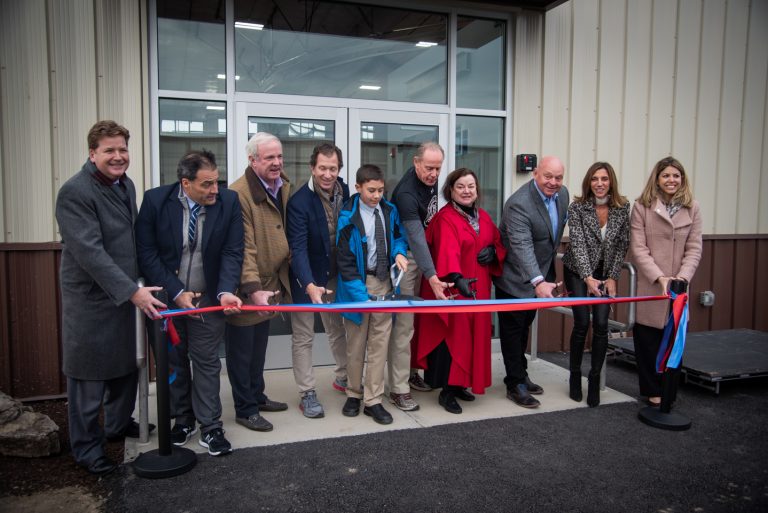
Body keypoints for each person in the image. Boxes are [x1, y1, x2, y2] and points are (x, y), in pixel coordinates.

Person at [55, 120, 166, 475]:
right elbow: (90, 253)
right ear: (92, 154)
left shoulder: (125, 185)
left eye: (123, 149)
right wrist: (132, 291)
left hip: (125, 295)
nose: (118, 157)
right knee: (89, 377)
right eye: (109, 151)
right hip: (92, 300)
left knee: (125, 368)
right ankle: (87, 449)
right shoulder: (75, 192)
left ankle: (117, 426)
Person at [136, 149, 244, 456]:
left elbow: (232, 252)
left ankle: (211, 426)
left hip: (207, 298)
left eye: (216, 181)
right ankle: (183, 420)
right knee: (174, 360)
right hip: (167, 300)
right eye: (206, 184)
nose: (214, 190)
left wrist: (225, 291)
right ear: (186, 183)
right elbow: (146, 254)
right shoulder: (156, 201)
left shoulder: (229, 202)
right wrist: (175, 291)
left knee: (207, 360)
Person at [412, 169, 506, 414]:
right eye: (461, 187)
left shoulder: (483, 217)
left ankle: (462, 383)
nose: (467, 191)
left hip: (479, 288)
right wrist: (456, 278)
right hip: (454, 289)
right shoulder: (445, 218)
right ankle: (448, 390)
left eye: (471, 186)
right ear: (451, 191)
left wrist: (494, 252)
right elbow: (446, 251)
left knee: (474, 336)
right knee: (453, 338)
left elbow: (498, 241)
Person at [225, 132, 291, 432]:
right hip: (248, 288)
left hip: (270, 282)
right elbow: (243, 247)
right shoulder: (239, 194)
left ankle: (257, 395)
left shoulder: (282, 185)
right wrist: (252, 289)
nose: (277, 162)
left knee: (258, 348)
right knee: (241, 353)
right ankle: (245, 409)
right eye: (269, 158)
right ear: (252, 161)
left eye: (279, 156)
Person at [494, 155, 569, 408]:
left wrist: (543, 278)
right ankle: (514, 384)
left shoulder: (562, 195)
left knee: (525, 325)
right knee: (513, 331)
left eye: (558, 177)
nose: (553, 182)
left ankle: (521, 373)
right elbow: (522, 246)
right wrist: (538, 281)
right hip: (514, 278)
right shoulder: (519, 203)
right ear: (536, 173)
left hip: (540, 275)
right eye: (547, 176)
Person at [336, 165, 409, 425]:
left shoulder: (389, 210)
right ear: (358, 188)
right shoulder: (347, 217)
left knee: (379, 344)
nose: (377, 195)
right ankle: (353, 393)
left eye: (380, 190)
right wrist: (361, 297)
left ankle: (373, 399)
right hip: (358, 285)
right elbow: (345, 262)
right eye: (371, 190)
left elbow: (399, 237)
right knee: (356, 345)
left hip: (384, 284)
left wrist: (399, 252)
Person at [629, 156, 702, 406]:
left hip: (679, 288)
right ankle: (652, 390)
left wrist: (682, 278)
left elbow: (694, 248)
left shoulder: (693, 208)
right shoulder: (642, 207)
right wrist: (659, 277)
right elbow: (638, 248)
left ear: (682, 179)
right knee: (648, 341)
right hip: (652, 285)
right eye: (666, 175)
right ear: (657, 179)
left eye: (676, 175)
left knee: (674, 341)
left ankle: (669, 389)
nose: (671, 180)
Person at [286, 143, 350, 418]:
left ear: (339, 169)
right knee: (303, 336)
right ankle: (307, 392)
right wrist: (309, 284)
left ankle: (344, 377)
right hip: (305, 277)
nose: (327, 174)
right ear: (312, 168)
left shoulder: (345, 191)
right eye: (322, 168)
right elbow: (297, 249)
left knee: (336, 329)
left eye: (332, 168)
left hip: (334, 274)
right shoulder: (299, 202)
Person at [561, 162, 630, 407]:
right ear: (588, 183)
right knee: (582, 322)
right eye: (594, 179)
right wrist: (588, 277)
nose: (599, 184)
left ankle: (594, 378)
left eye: (604, 179)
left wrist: (612, 277)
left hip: (604, 271)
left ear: (611, 182)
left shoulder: (622, 208)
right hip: (577, 270)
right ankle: (574, 375)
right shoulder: (578, 207)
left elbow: (622, 244)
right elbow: (577, 244)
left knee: (601, 324)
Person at [389, 142, 451, 408]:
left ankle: (411, 372)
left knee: (415, 323)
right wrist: (433, 276)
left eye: (438, 168)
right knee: (404, 325)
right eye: (428, 168)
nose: (434, 174)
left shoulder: (430, 181)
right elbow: (415, 238)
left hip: (426, 255)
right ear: (416, 163)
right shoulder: (406, 193)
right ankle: (398, 388)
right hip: (406, 258)